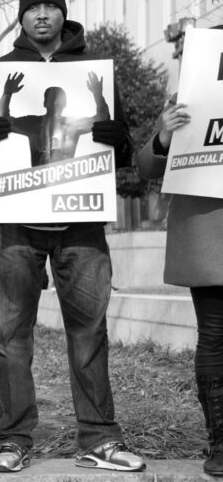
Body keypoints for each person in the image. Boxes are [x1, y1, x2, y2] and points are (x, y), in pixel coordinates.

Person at [0, 0, 144, 472]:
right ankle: (14, 439)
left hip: (81, 225)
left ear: (63, 12)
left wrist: (111, 127)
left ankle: (100, 438)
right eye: (32, 7)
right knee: (11, 335)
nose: (41, 14)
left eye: (50, 5)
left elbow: (122, 146)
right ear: (20, 16)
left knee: (88, 331)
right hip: (17, 226)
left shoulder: (92, 70)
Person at [136, 91, 223, 476]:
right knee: (216, 334)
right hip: (207, 232)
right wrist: (164, 137)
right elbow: (145, 166)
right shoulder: (188, 94)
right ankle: (220, 442)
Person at [0, 72, 109, 164]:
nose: (55, 103)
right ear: (45, 103)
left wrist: (98, 94)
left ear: (65, 104)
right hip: (37, 184)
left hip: (65, 184)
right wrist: (7, 93)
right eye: (51, 100)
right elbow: (1, 118)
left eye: (57, 101)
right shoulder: (33, 123)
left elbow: (102, 119)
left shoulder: (72, 125)